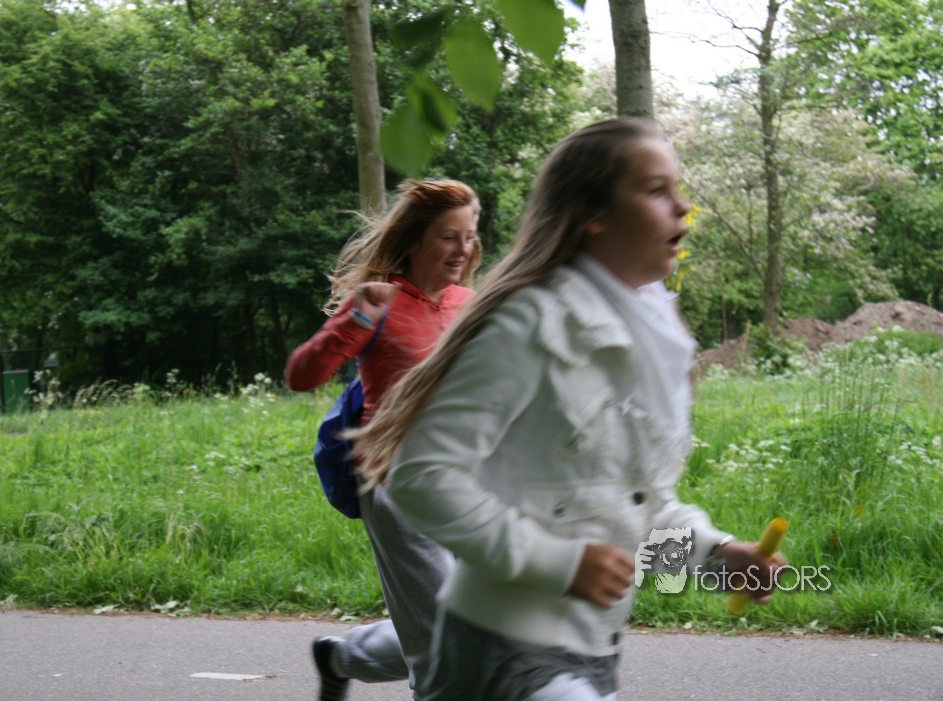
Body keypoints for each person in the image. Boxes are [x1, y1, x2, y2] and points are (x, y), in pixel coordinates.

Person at [353, 119, 785, 701]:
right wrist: (557, 563)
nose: (683, 207)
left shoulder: (648, 334)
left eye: (677, 189)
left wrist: (717, 554)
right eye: (656, 190)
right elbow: (420, 478)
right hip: (499, 649)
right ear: (593, 213)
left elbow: (630, 510)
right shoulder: (530, 323)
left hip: (591, 653)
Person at [285, 178, 482, 701]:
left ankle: (341, 657)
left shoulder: (470, 303)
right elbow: (301, 375)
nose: (463, 249)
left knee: (478, 628)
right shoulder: (378, 302)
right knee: (443, 649)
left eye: (469, 236)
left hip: (467, 482)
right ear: (414, 241)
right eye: (448, 237)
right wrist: (354, 322)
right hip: (396, 480)